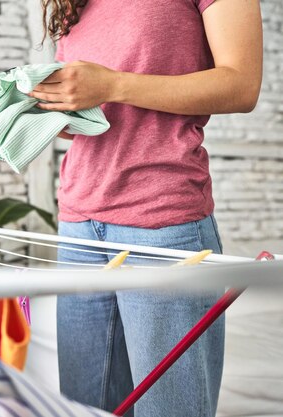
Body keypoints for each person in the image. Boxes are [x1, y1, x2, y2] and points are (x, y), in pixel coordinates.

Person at [30, 1, 263, 416]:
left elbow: (241, 85)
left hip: (161, 223)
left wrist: (113, 84)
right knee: (84, 409)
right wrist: (54, 109)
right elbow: (97, 120)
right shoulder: (72, 3)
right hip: (79, 224)